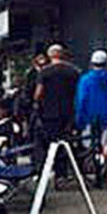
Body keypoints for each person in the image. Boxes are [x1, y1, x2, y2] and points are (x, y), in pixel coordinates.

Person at [34, 43, 80, 182]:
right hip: (69, 111)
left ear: (50, 55)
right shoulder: (73, 71)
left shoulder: (45, 72)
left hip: (50, 113)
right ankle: (64, 173)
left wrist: (37, 102)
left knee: (51, 143)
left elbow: (38, 93)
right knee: (66, 141)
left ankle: (50, 171)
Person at [74, 50, 107, 168]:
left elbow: (82, 100)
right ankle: (103, 161)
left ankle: (92, 163)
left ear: (91, 63)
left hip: (89, 115)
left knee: (88, 142)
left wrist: (79, 119)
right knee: (106, 142)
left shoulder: (85, 80)